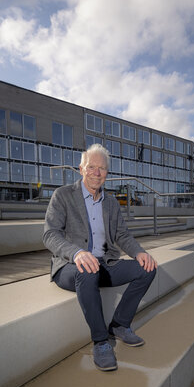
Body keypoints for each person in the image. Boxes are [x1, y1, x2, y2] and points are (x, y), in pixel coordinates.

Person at [43, 143, 157, 371]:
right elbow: (50, 234)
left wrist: (139, 252)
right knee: (86, 271)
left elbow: (122, 235)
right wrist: (76, 253)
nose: (97, 173)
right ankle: (101, 341)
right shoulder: (63, 195)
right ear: (81, 168)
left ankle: (120, 325)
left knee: (147, 268)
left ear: (107, 172)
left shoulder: (111, 202)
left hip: (104, 264)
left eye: (102, 168)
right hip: (70, 267)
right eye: (91, 167)